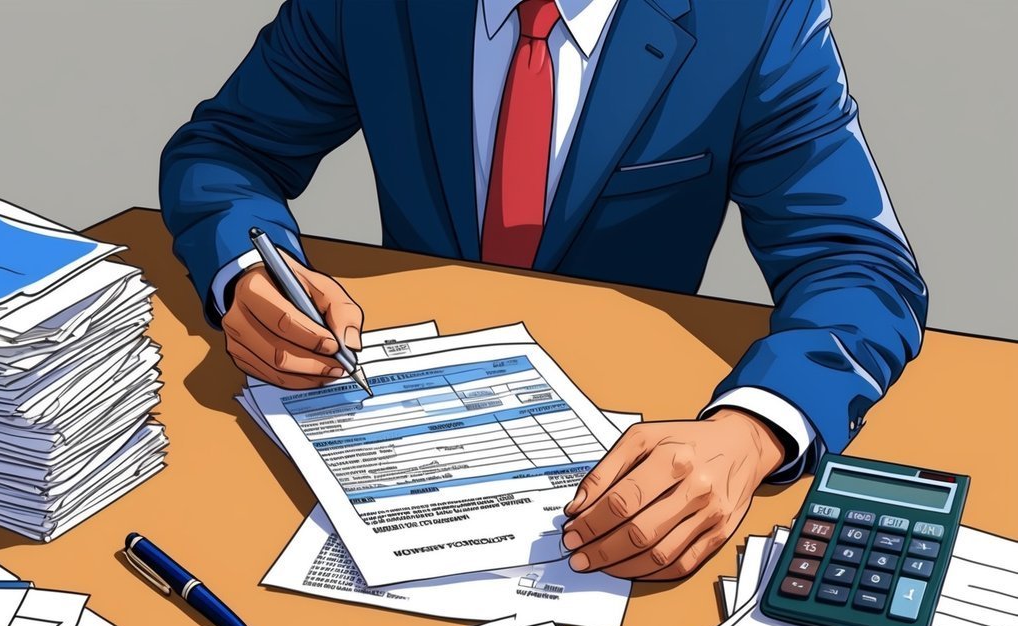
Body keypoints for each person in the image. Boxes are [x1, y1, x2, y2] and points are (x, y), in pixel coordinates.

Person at [158, 0, 926, 581]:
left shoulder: (756, 18)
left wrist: (752, 433)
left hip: (626, 459)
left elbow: (858, 264)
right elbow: (228, 148)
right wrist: (246, 274)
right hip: (392, 426)